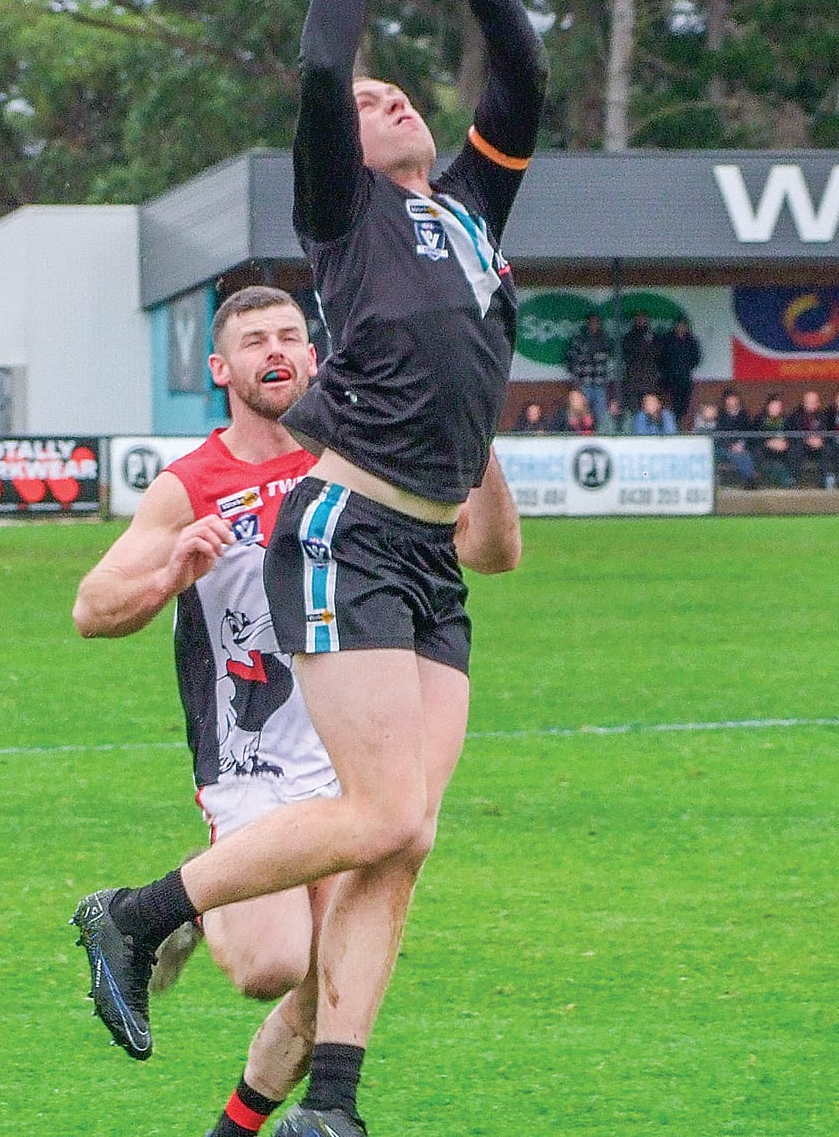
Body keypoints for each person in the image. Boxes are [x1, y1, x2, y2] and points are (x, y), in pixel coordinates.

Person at [71, 0, 546, 1137]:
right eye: (372, 97)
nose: (390, 98)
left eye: (409, 96)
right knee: (381, 810)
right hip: (342, 532)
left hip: (428, 555)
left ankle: (320, 1106)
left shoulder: (470, 214)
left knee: (403, 839)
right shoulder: (345, 216)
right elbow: (324, 66)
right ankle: (139, 914)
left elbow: (524, 77)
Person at [69, 288, 521, 1137]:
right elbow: (92, 607)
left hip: (353, 752)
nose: (275, 351)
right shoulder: (194, 483)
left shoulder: (366, 463)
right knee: (272, 967)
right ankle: (189, 903)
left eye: (289, 336)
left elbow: (493, 554)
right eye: (253, 341)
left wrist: (476, 424)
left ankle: (244, 1128)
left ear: (316, 358)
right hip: (252, 761)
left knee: (332, 989)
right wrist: (171, 571)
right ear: (222, 369)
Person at [563, 312, 614, 431]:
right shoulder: (579, 339)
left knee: (601, 414)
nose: (594, 324)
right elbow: (570, 359)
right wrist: (576, 381)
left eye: (596, 322)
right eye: (592, 322)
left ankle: (601, 436)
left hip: (600, 382)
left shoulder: (605, 339)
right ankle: (580, 435)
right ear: (587, 323)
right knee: (582, 413)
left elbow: (610, 359)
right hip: (583, 383)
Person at [655, 315, 702, 423]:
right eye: (679, 325)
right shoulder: (667, 339)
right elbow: (659, 358)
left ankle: (679, 424)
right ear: (675, 326)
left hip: (684, 379)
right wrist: (667, 371)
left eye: (683, 326)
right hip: (669, 379)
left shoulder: (691, 340)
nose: (681, 328)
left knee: (683, 406)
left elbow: (696, 359)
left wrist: (685, 367)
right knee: (669, 405)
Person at [713, 390, 759, 488]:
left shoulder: (744, 415)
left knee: (745, 455)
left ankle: (750, 479)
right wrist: (731, 446)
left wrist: (741, 444)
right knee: (735, 454)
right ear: (725, 402)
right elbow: (719, 435)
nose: (732, 404)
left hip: (741, 447)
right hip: (724, 447)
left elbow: (749, 433)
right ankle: (750, 478)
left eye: (734, 401)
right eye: (729, 401)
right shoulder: (720, 416)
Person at [619, 311, 660, 411]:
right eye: (638, 319)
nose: (641, 321)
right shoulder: (628, 337)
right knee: (634, 410)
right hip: (632, 381)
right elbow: (626, 355)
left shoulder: (653, 336)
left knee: (649, 410)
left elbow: (658, 354)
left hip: (649, 381)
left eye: (643, 318)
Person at [788, 388, 831, 486]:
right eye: (808, 402)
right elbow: (794, 434)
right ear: (804, 403)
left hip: (818, 446)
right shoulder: (796, 415)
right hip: (802, 445)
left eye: (813, 402)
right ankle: (794, 480)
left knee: (827, 449)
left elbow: (827, 433)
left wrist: (821, 440)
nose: (810, 404)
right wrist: (807, 440)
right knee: (795, 449)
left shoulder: (823, 416)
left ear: (818, 403)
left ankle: (825, 481)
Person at [756, 394, 795, 487]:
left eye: (778, 407)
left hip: (783, 449)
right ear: (767, 406)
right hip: (766, 449)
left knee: (794, 451)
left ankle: (791, 478)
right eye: (773, 406)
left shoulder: (786, 419)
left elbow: (792, 435)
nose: (775, 409)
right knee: (759, 453)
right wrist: (768, 442)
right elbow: (755, 438)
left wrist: (786, 443)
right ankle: (784, 480)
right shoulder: (760, 419)